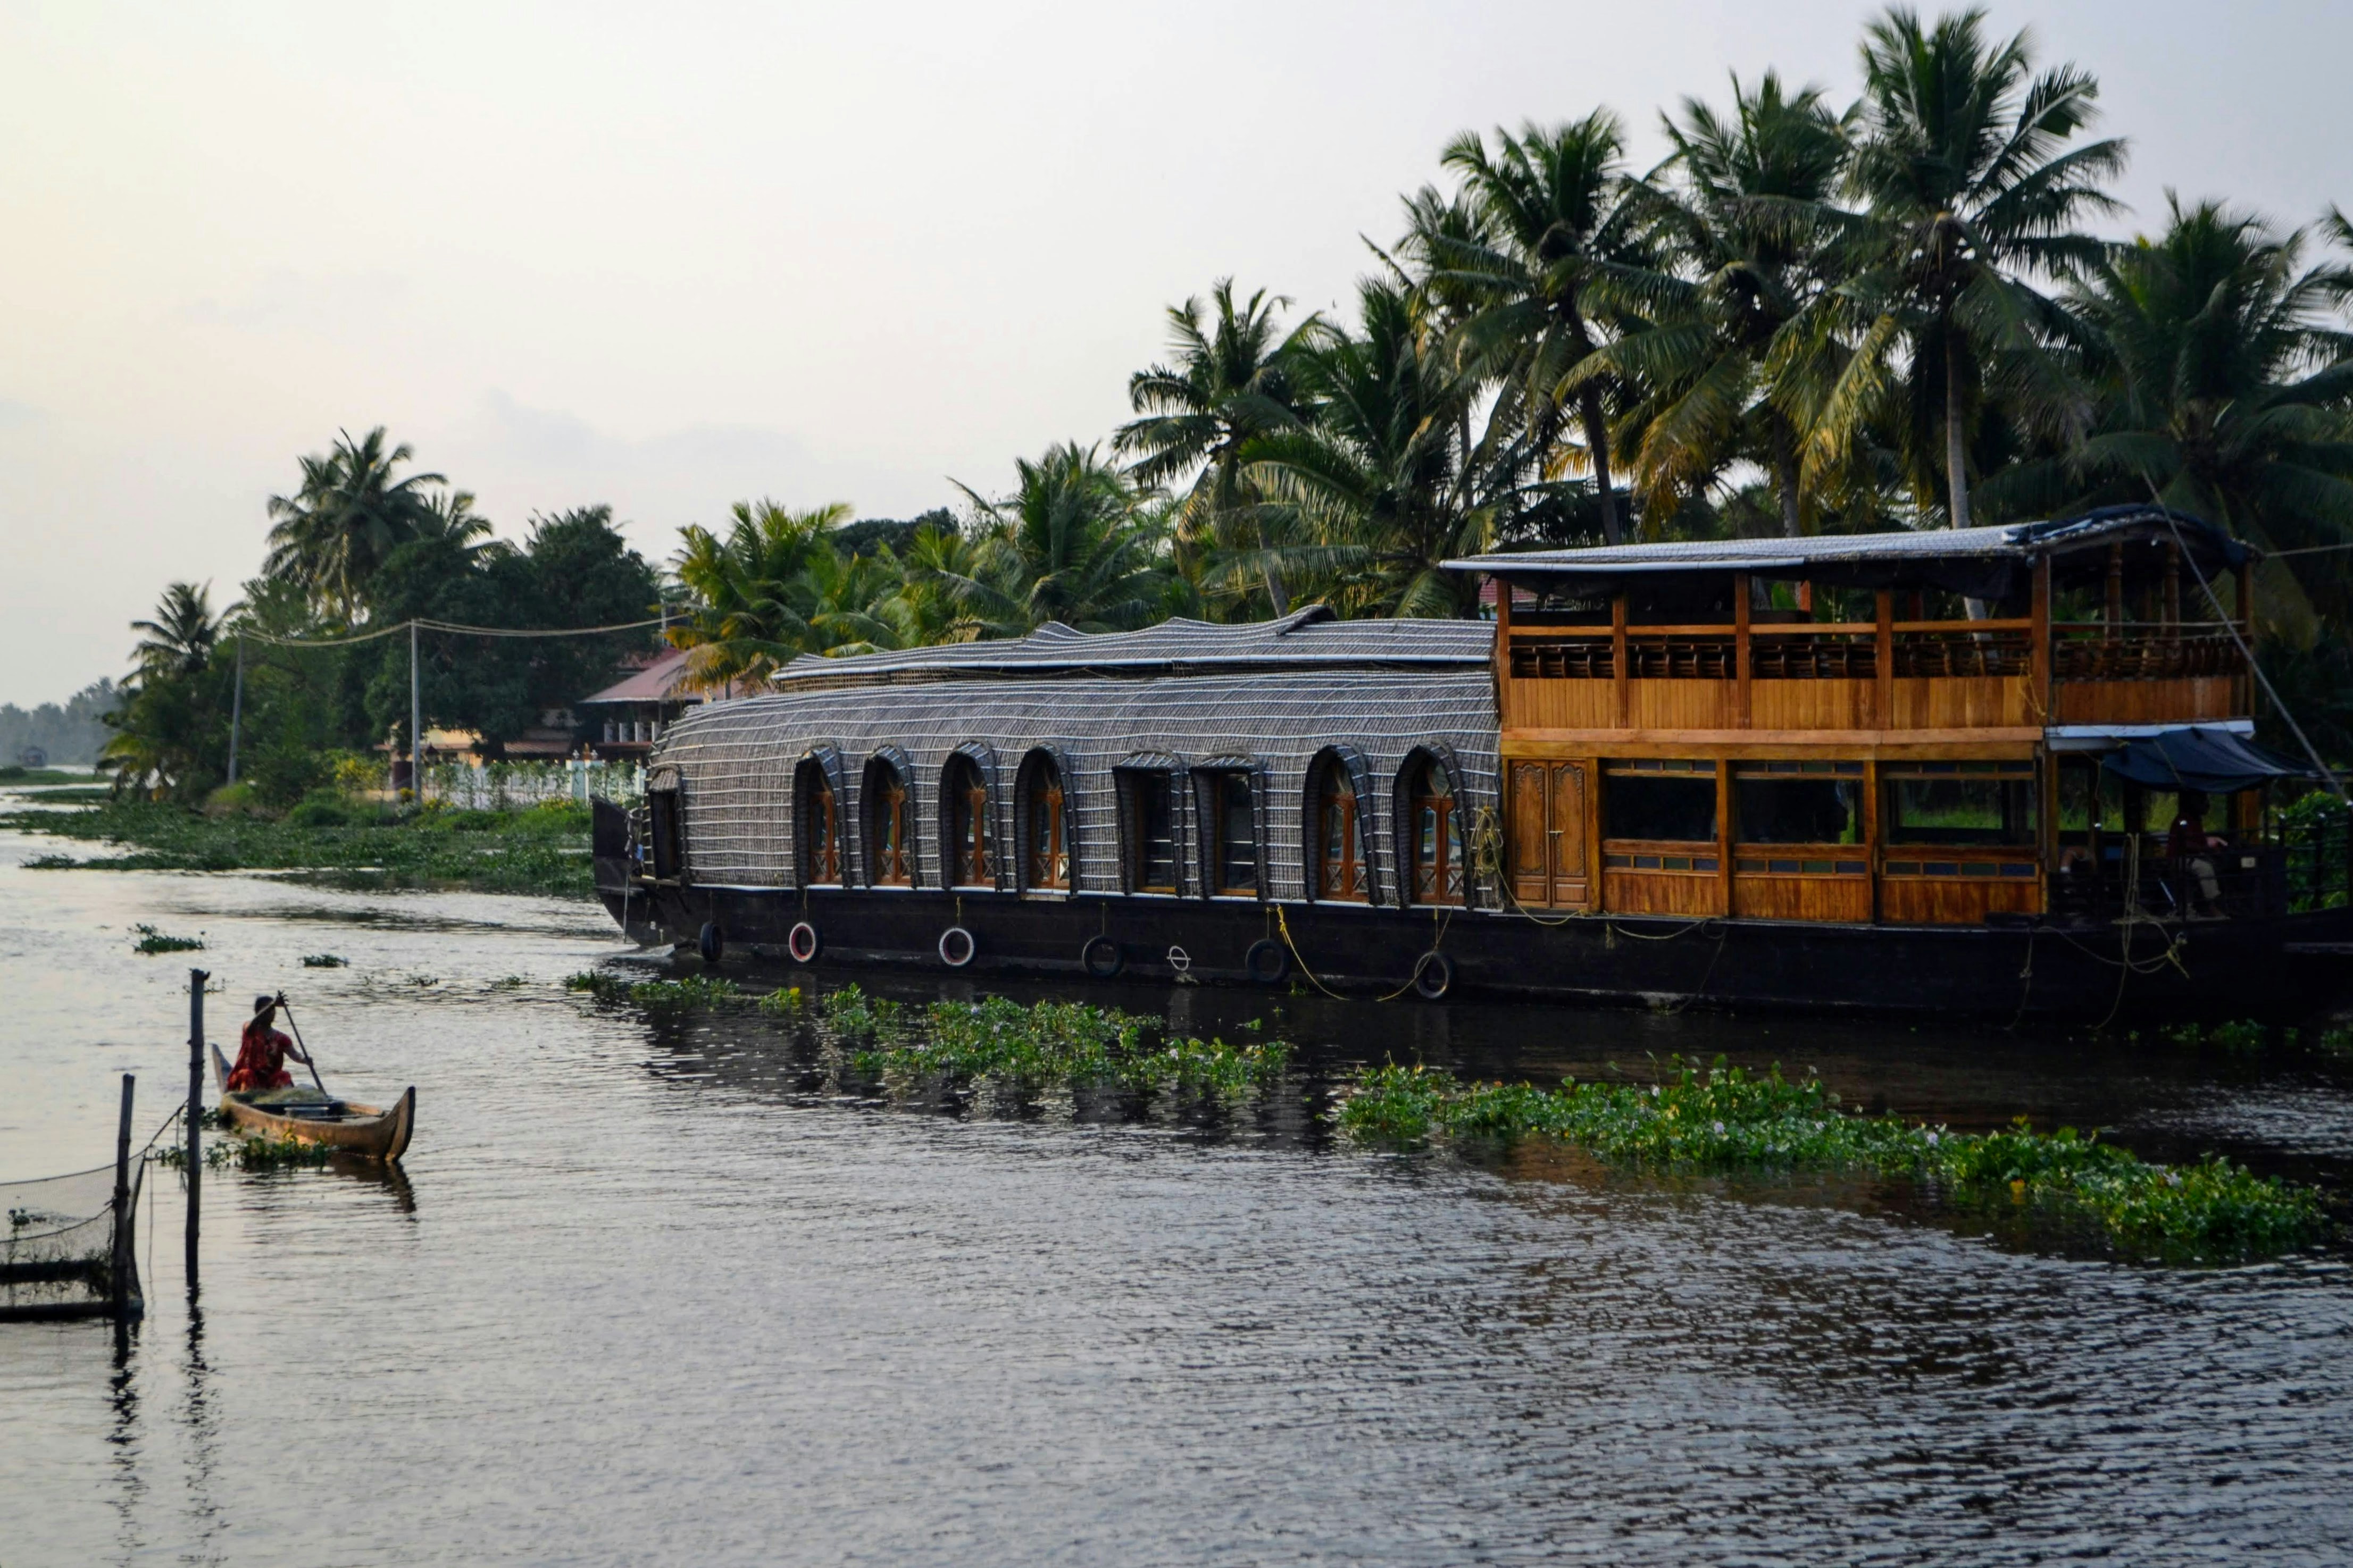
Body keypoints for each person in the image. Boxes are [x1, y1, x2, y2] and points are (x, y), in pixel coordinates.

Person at [226, 994, 310, 1092]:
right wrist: (273, 1005)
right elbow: (254, 1022)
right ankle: (249, 1099)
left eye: (273, 1010)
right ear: (258, 1012)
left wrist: (304, 1060)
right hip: (247, 1078)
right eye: (268, 1009)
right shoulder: (250, 1029)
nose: (271, 1013)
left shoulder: (281, 1038)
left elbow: (295, 1054)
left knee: (284, 1075)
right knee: (247, 1074)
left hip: (269, 1079)